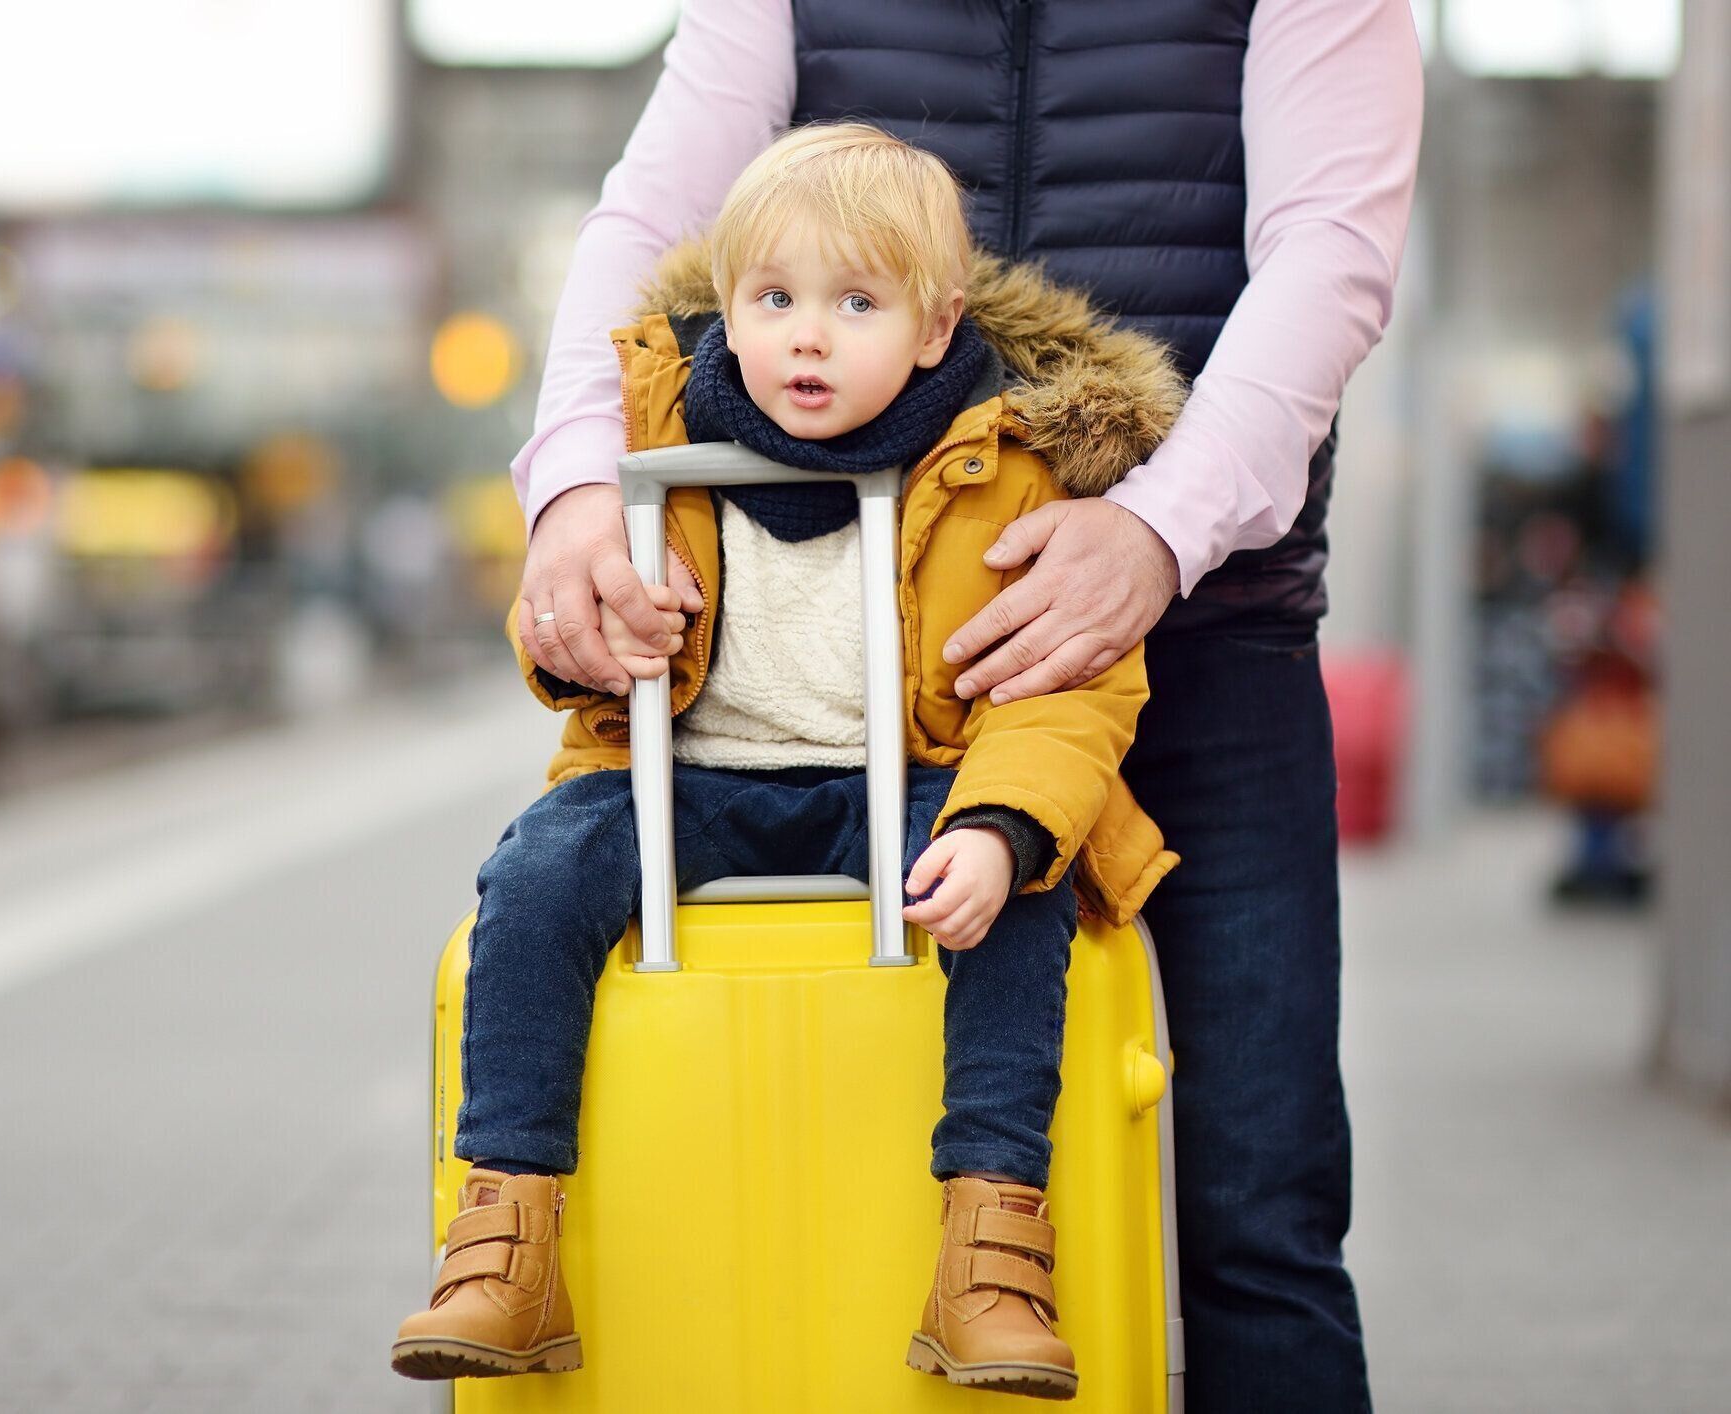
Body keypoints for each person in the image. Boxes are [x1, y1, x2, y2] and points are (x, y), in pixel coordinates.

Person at [509, 5, 1421, 1409]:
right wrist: (577, 484)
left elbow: (1331, 256)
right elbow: (650, 218)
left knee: (1259, 1204)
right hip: (882, 660)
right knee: (865, 1175)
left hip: (1207, 631)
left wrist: (1155, 531)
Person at [392, 123, 1185, 1398]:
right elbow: (555, 614)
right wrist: (606, 640)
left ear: (933, 329)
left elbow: (1070, 689)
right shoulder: (653, 431)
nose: (804, 337)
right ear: (728, 306)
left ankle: (988, 1246)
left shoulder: (1008, 465)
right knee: (536, 871)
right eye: (772, 300)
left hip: (912, 775)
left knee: (1018, 901)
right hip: (694, 781)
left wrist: (999, 825)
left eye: (853, 304)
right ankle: (505, 1229)